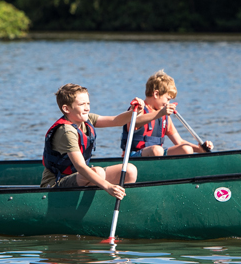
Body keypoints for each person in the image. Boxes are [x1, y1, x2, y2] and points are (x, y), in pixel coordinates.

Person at [40, 84, 168, 199]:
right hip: (55, 184)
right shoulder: (66, 131)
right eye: (81, 105)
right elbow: (80, 166)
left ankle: (117, 202)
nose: (86, 108)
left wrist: (136, 111)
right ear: (66, 109)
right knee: (98, 172)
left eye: (88, 104)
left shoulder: (87, 119)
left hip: (78, 178)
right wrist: (108, 186)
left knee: (130, 170)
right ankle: (104, 197)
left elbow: (116, 121)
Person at [120, 70, 214, 157]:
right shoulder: (138, 108)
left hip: (157, 154)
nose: (168, 103)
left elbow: (179, 141)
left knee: (186, 149)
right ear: (156, 94)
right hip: (133, 156)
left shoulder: (164, 116)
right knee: (157, 150)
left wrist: (201, 149)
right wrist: (160, 113)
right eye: (168, 99)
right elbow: (135, 122)